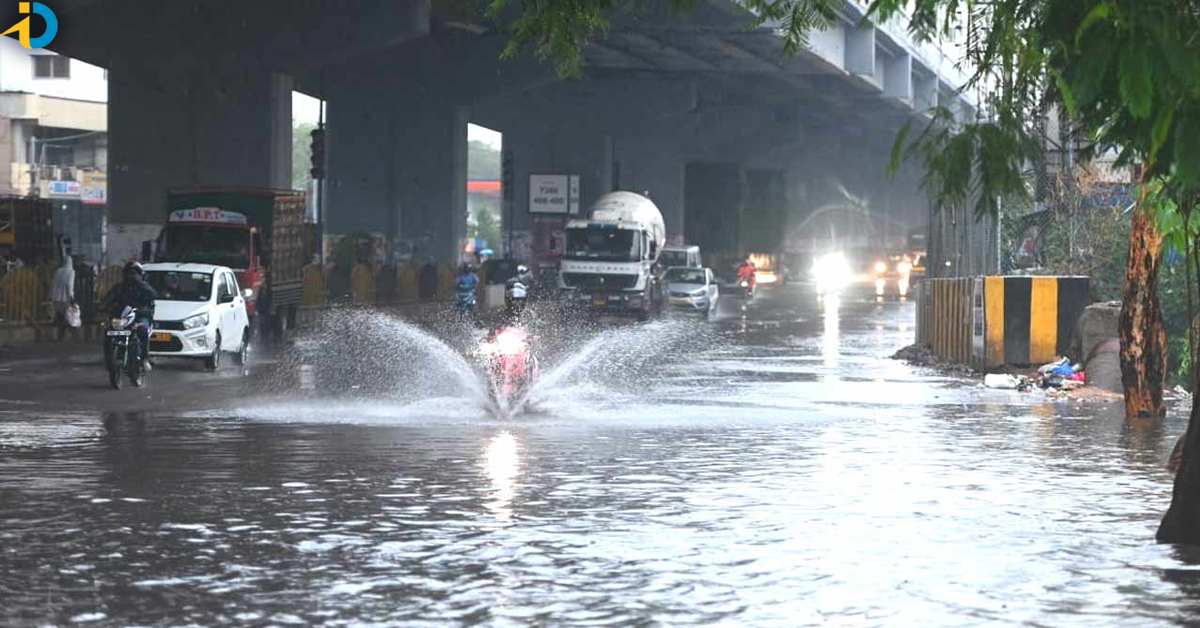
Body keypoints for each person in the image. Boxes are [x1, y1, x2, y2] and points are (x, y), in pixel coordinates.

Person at [101, 261, 158, 368]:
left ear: (140, 275)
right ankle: (109, 359)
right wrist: (103, 307)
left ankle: (144, 358)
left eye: (135, 273)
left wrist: (141, 284)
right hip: (122, 318)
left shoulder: (144, 288)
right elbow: (108, 299)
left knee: (142, 331)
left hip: (140, 317)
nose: (131, 276)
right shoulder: (119, 288)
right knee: (108, 332)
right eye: (129, 273)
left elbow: (153, 295)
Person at [50, 255, 76, 341]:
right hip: (66, 299)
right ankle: (73, 336)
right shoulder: (71, 272)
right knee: (68, 317)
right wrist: (71, 296)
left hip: (56, 298)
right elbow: (69, 285)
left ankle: (58, 336)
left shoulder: (58, 271)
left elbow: (53, 283)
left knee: (59, 317)